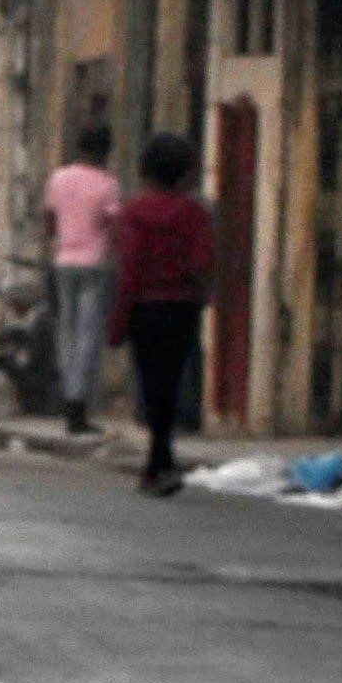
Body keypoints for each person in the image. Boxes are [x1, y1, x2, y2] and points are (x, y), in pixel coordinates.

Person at [116, 131, 218, 490]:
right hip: (181, 306)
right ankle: (162, 458)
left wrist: (119, 319)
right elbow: (202, 259)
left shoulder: (134, 212)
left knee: (151, 384)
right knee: (172, 382)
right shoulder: (194, 212)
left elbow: (129, 266)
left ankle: (158, 461)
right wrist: (204, 293)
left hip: (145, 308)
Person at [42, 119, 122, 433]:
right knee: (88, 336)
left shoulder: (58, 178)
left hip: (63, 260)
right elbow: (114, 225)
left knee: (66, 332)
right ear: (105, 151)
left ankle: (67, 394)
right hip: (94, 264)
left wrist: (57, 241)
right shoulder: (108, 184)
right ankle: (77, 404)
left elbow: (49, 218)